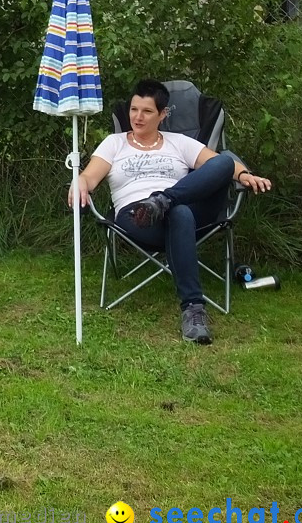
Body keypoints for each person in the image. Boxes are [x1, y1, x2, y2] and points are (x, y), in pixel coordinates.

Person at [73, 79, 272, 344]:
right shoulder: (114, 143)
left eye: (147, 111)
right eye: (134, 110)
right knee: (180, 213)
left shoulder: (179, 142)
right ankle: (193, 308)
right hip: (138, 216)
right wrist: (79, 184)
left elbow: (221, 166)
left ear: (163, 114)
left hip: (182, 208)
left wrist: (245, 174)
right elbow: (89, 176)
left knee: (223, 162)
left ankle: (163, 200)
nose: (138, 117)